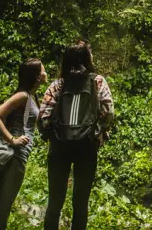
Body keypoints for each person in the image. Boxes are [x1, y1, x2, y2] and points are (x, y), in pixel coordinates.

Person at [39, 41, 114, 230]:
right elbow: (108, 112)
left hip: (59, 147)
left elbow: (43, 118)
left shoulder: (58, 85)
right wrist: (99, 133)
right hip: (87, 146)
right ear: (87, 59)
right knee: (81, 202)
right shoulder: (97, 81)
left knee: (54, 202)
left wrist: (54, 135)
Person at [0, 57, 46, 230]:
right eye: (43, 70)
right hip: (14, 156)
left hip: (17, 157)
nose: (46, 73)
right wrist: (12, 139)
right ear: (37, 76)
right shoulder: (22, 96)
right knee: (1, 207)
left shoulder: (32, 96)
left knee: (1, 205)